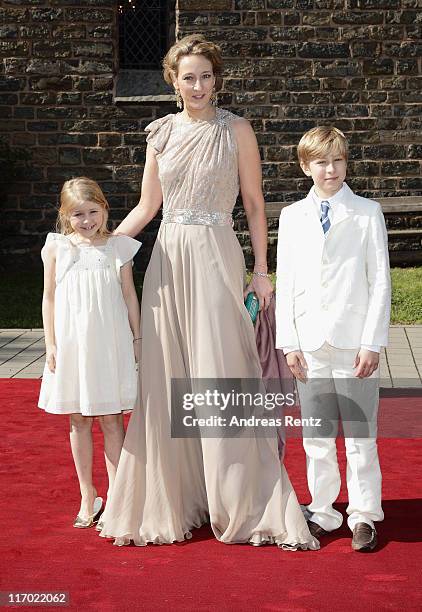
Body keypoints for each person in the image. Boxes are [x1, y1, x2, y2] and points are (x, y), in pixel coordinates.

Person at [99, 34, 318, 550]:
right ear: (172, 82)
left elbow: (255, 204)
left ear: (217, 79)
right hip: (169, 264)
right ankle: (180, 497)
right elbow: (147, 206)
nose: (198, 85)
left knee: (221, 372)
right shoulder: (159, 134)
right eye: (187, 77)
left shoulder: (237, 129)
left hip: (218, 254)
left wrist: (262, 270)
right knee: (166, 377)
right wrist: (101, 247)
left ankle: (240, 498)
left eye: (205, 76)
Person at [276, 126, 391, 551]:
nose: (331, 169)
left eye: (338, 160)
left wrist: (373, 342)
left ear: (347, 162)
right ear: (306, 166)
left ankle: (364, 515)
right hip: (309, 345)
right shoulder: (291, 217)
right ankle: (322, 510)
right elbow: (285, 281)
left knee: (361, 436)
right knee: (317, 438)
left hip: (353, 342)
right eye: (321, 162)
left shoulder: (366, 212)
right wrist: (289, 343)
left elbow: (379, 281)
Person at [38, 177, 141, 528]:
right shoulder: (57, 248)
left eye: (93, 212)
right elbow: (49, 297)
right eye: (77, 214)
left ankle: (117, 496)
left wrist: (138, 337)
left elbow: (129, 295)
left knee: (113, 419)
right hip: (72, 345)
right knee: (79, 419)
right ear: (65, 215)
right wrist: (51, 344)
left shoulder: (118, 247)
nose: (86, 220)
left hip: (109, 345)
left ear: (105, 209)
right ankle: (87, 494)